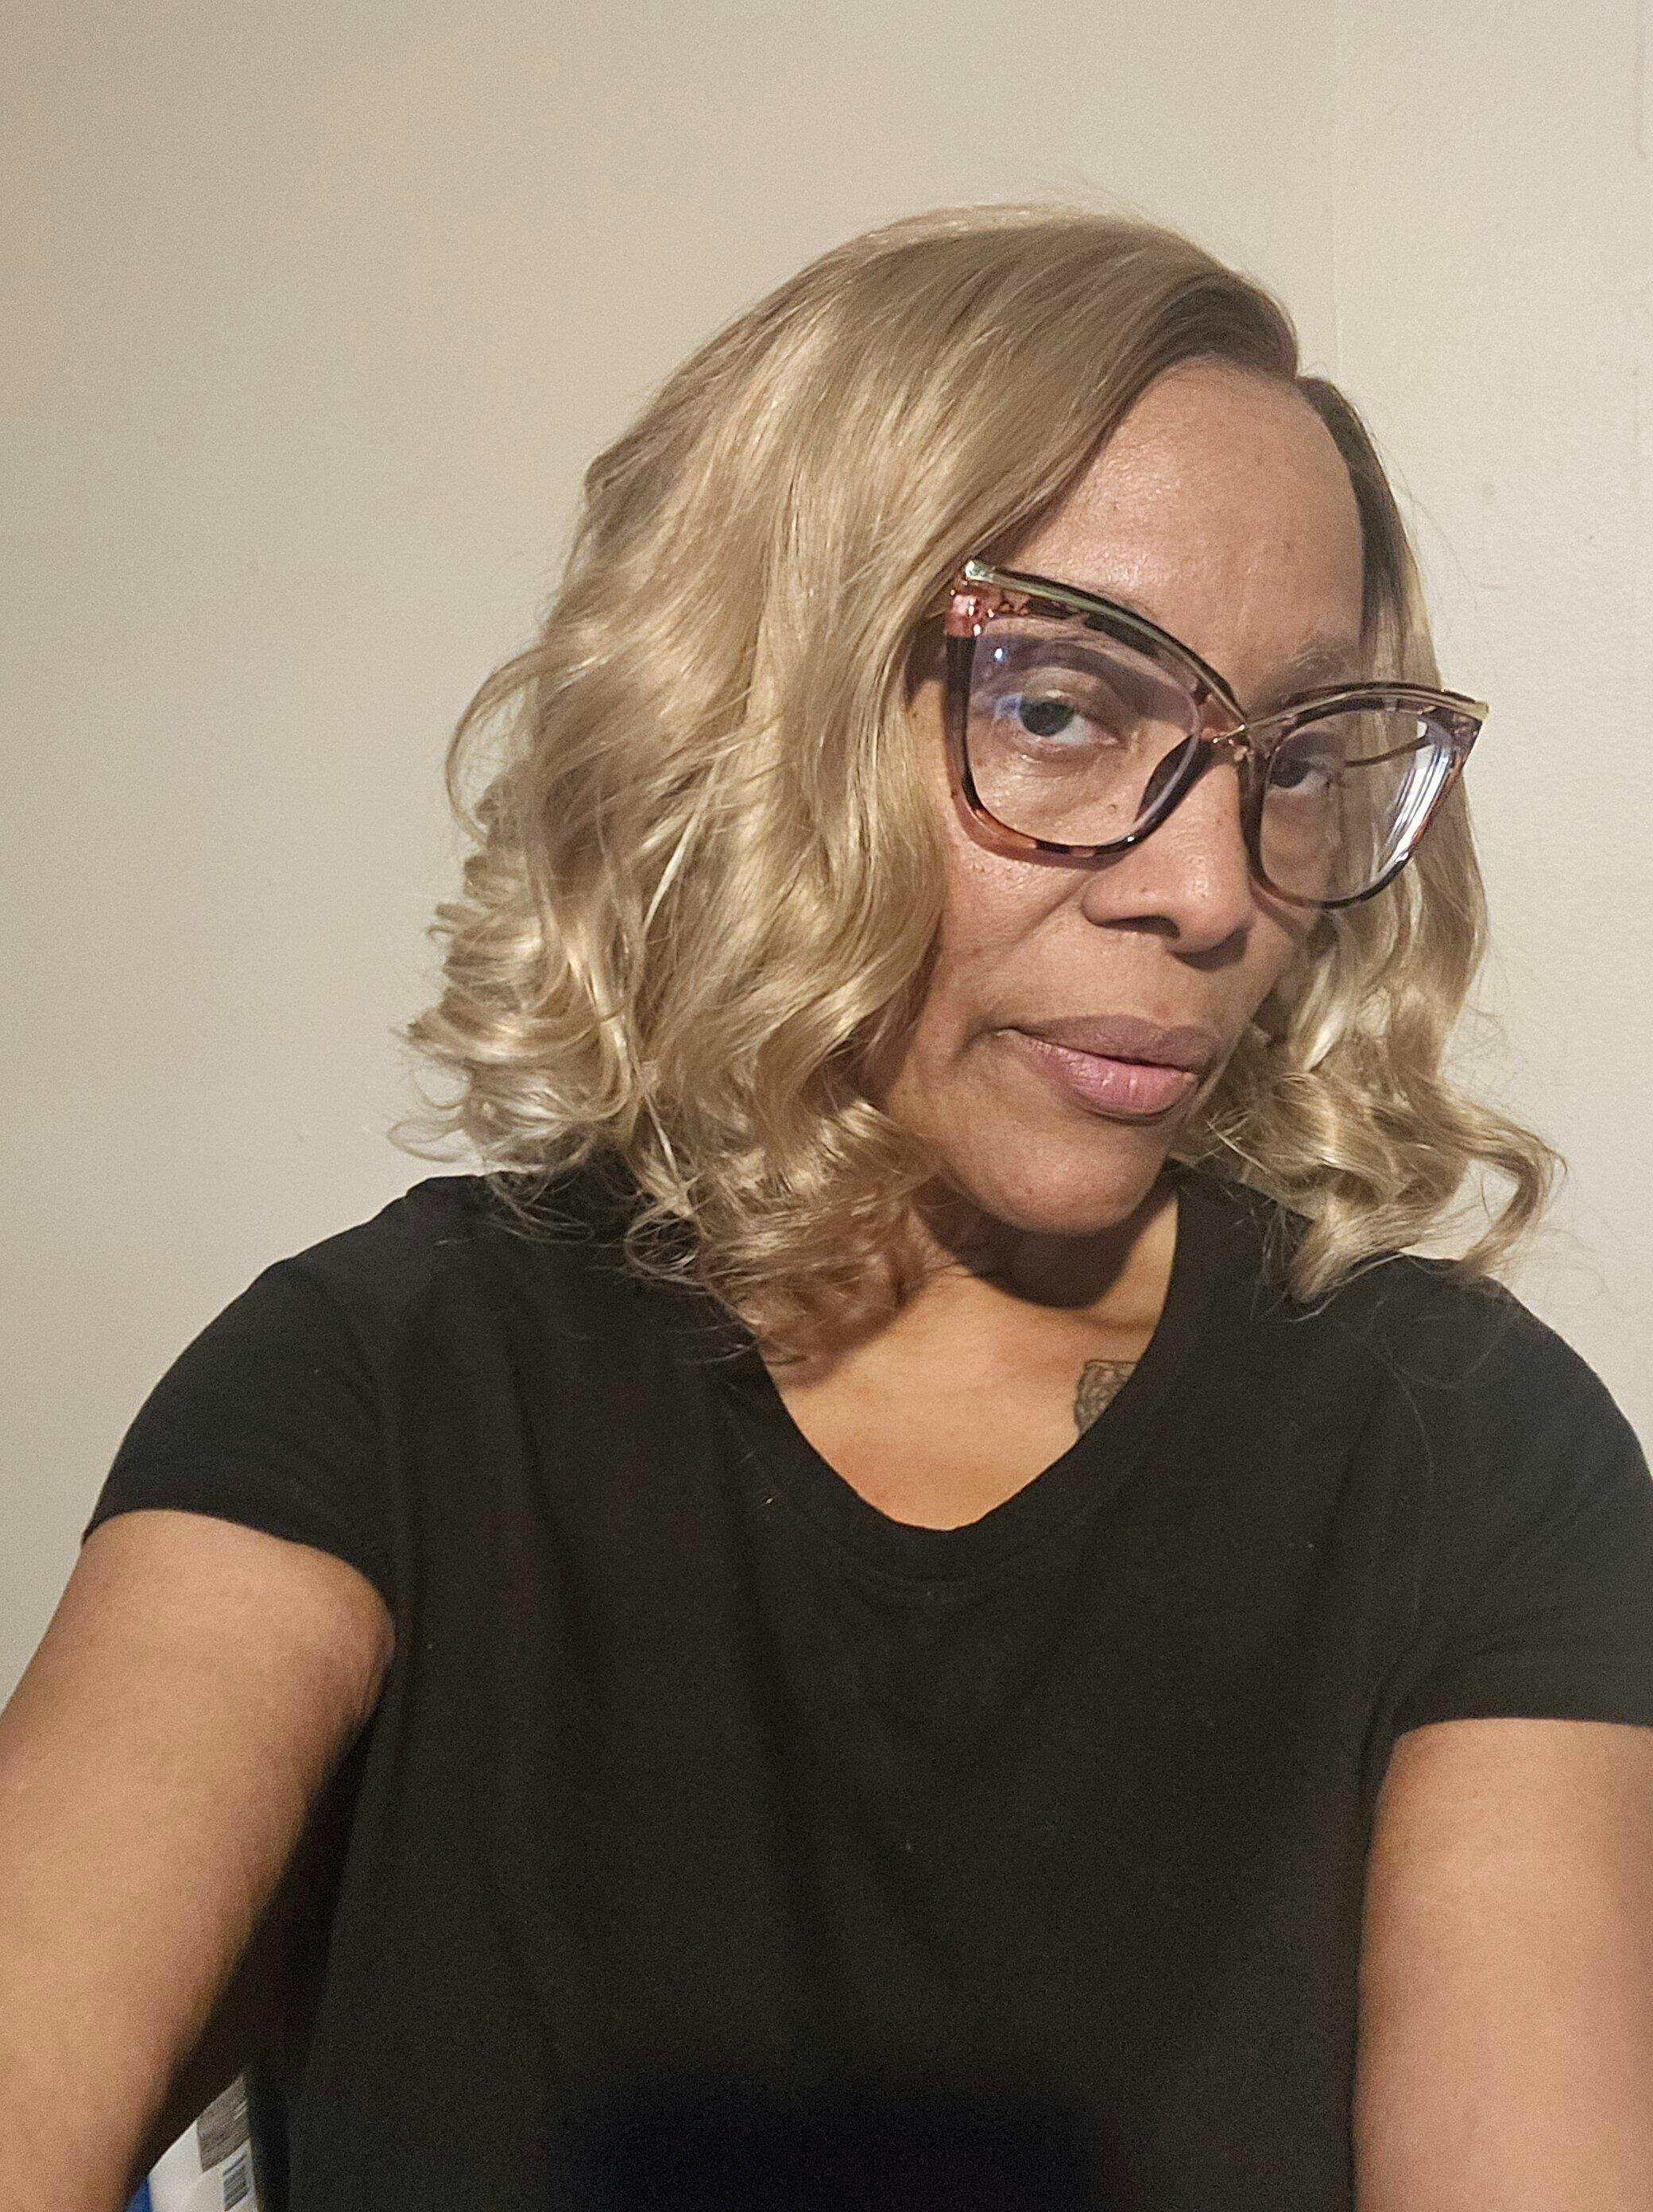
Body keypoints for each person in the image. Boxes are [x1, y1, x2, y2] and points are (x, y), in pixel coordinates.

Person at [4, 199, 1652, 2212]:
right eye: (1056, 705)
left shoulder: (1462, 1456)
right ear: (756, 712)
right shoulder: (388, 1384)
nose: (1213, 892)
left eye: (1292, 757)